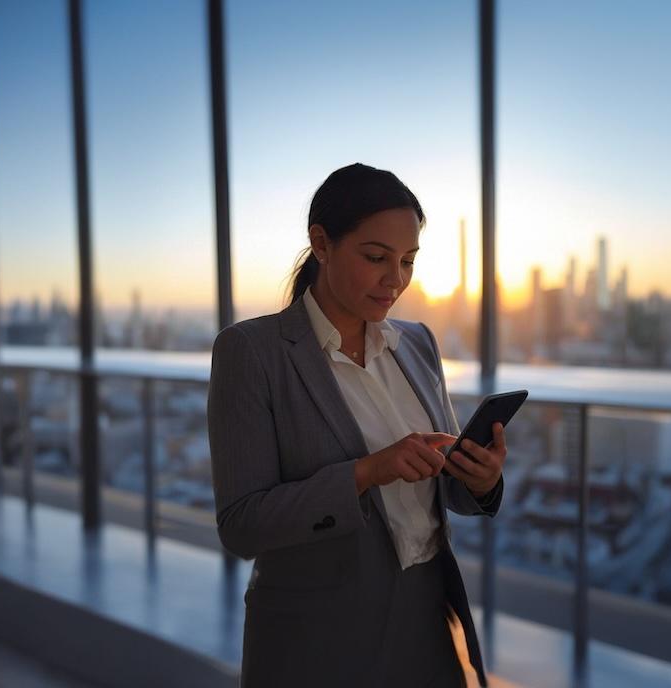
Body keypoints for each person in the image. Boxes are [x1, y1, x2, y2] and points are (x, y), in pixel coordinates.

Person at [208, 163, 507, 688]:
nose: (395, 280)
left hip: (427, 619)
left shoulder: (417, 343)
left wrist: (479, 480)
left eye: (408, 261)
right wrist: (367, 472)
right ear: (321, 244)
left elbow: (444, 490)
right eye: (376, 258)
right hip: (316, 637)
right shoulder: (252, 353)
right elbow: (241, 524)